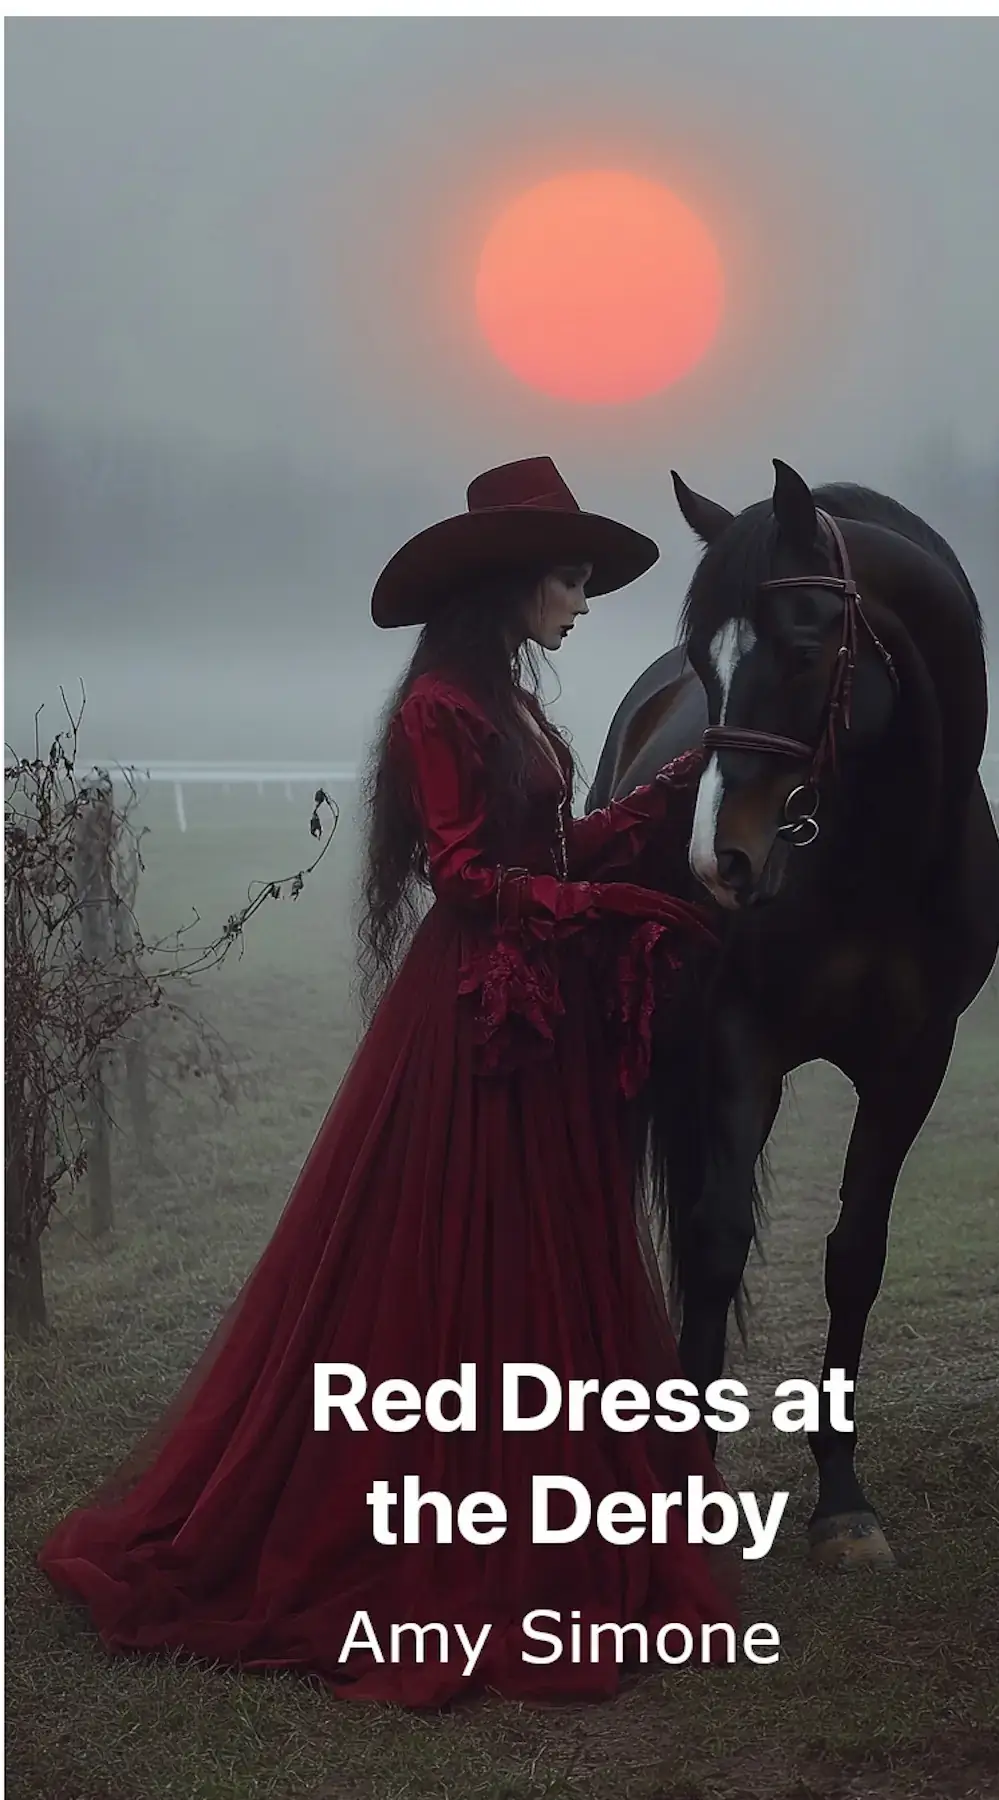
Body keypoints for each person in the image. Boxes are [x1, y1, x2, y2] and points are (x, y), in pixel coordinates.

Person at [38, 457, 740, 1709]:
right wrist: (605, 901)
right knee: (438, 1265)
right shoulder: (440, 709)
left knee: (538, 1265)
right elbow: (470, 881)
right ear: (517, 582)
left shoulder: (513, 704)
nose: (582, 605)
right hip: (472, 1018)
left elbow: (554, 843)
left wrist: (669, 797)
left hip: (535, 1011)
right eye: (572, 581)